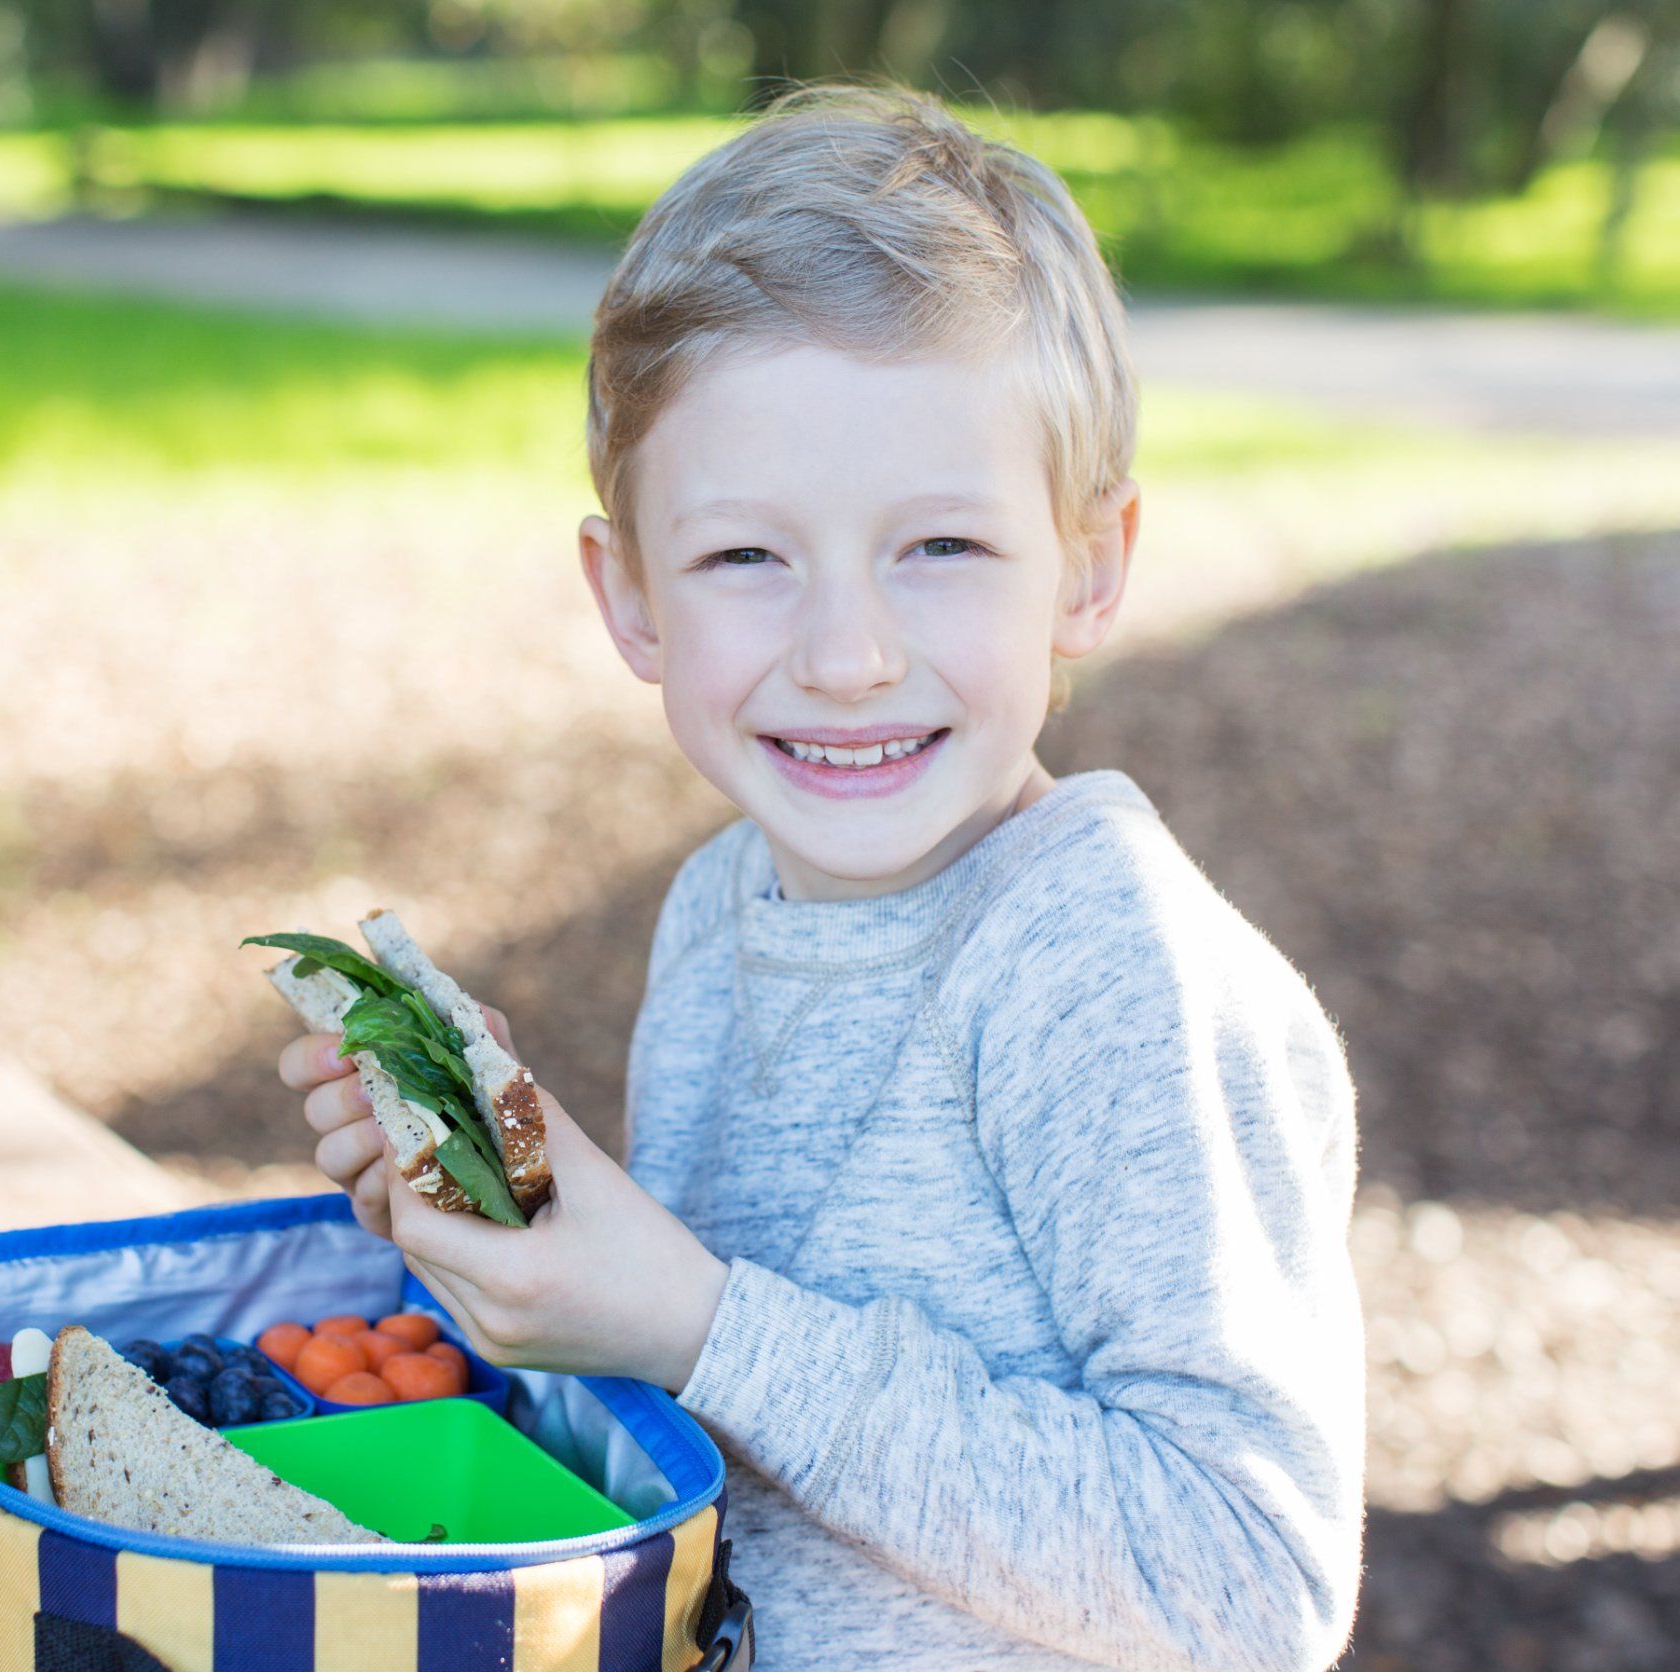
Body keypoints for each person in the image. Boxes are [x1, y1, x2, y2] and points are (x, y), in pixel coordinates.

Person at [276, 80, 1363, 1670]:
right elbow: (735, 1428)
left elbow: (1251, 1583)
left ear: (1093, 563)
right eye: (745, 558)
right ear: (631, 597)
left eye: (941, 549)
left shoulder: (1111, 970)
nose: (849, 656)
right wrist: (518, 1224)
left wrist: (697, 1322)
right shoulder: (721, 906)